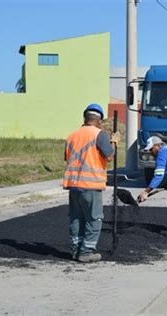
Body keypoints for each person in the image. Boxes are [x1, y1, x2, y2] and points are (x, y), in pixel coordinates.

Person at [63, 103, 120, 262]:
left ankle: (75, 250)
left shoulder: (71, 136)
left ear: (85, 118)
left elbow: (68, 158)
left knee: (76, 218)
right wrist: (114, 142)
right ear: (99, 120)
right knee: (94, 219)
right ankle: (87, 252)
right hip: (91, 185)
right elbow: (108, 156)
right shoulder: (99, 134)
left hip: (73, 185)